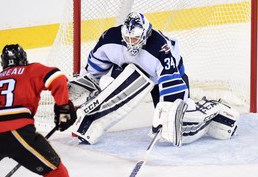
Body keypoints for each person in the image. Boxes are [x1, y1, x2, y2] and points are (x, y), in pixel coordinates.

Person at [69, 12, 239, 146]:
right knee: (108, 85)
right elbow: (95, 69)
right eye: (127, 39)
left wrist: (168, 115)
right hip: (130, 70)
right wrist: (87, 85)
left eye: (135, 39)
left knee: (174, 129)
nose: (131, 43)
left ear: (145, 34)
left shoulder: (160, 48)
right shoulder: (110, 38)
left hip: (165, 78)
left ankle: (210, 113)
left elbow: (172, 82)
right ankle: (94, 124)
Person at [0, 44, 82, 177]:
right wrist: (63, 108)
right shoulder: (30, 70)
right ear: (23, 59)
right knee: (55, 172)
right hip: (15, 130)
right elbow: (56, 77)